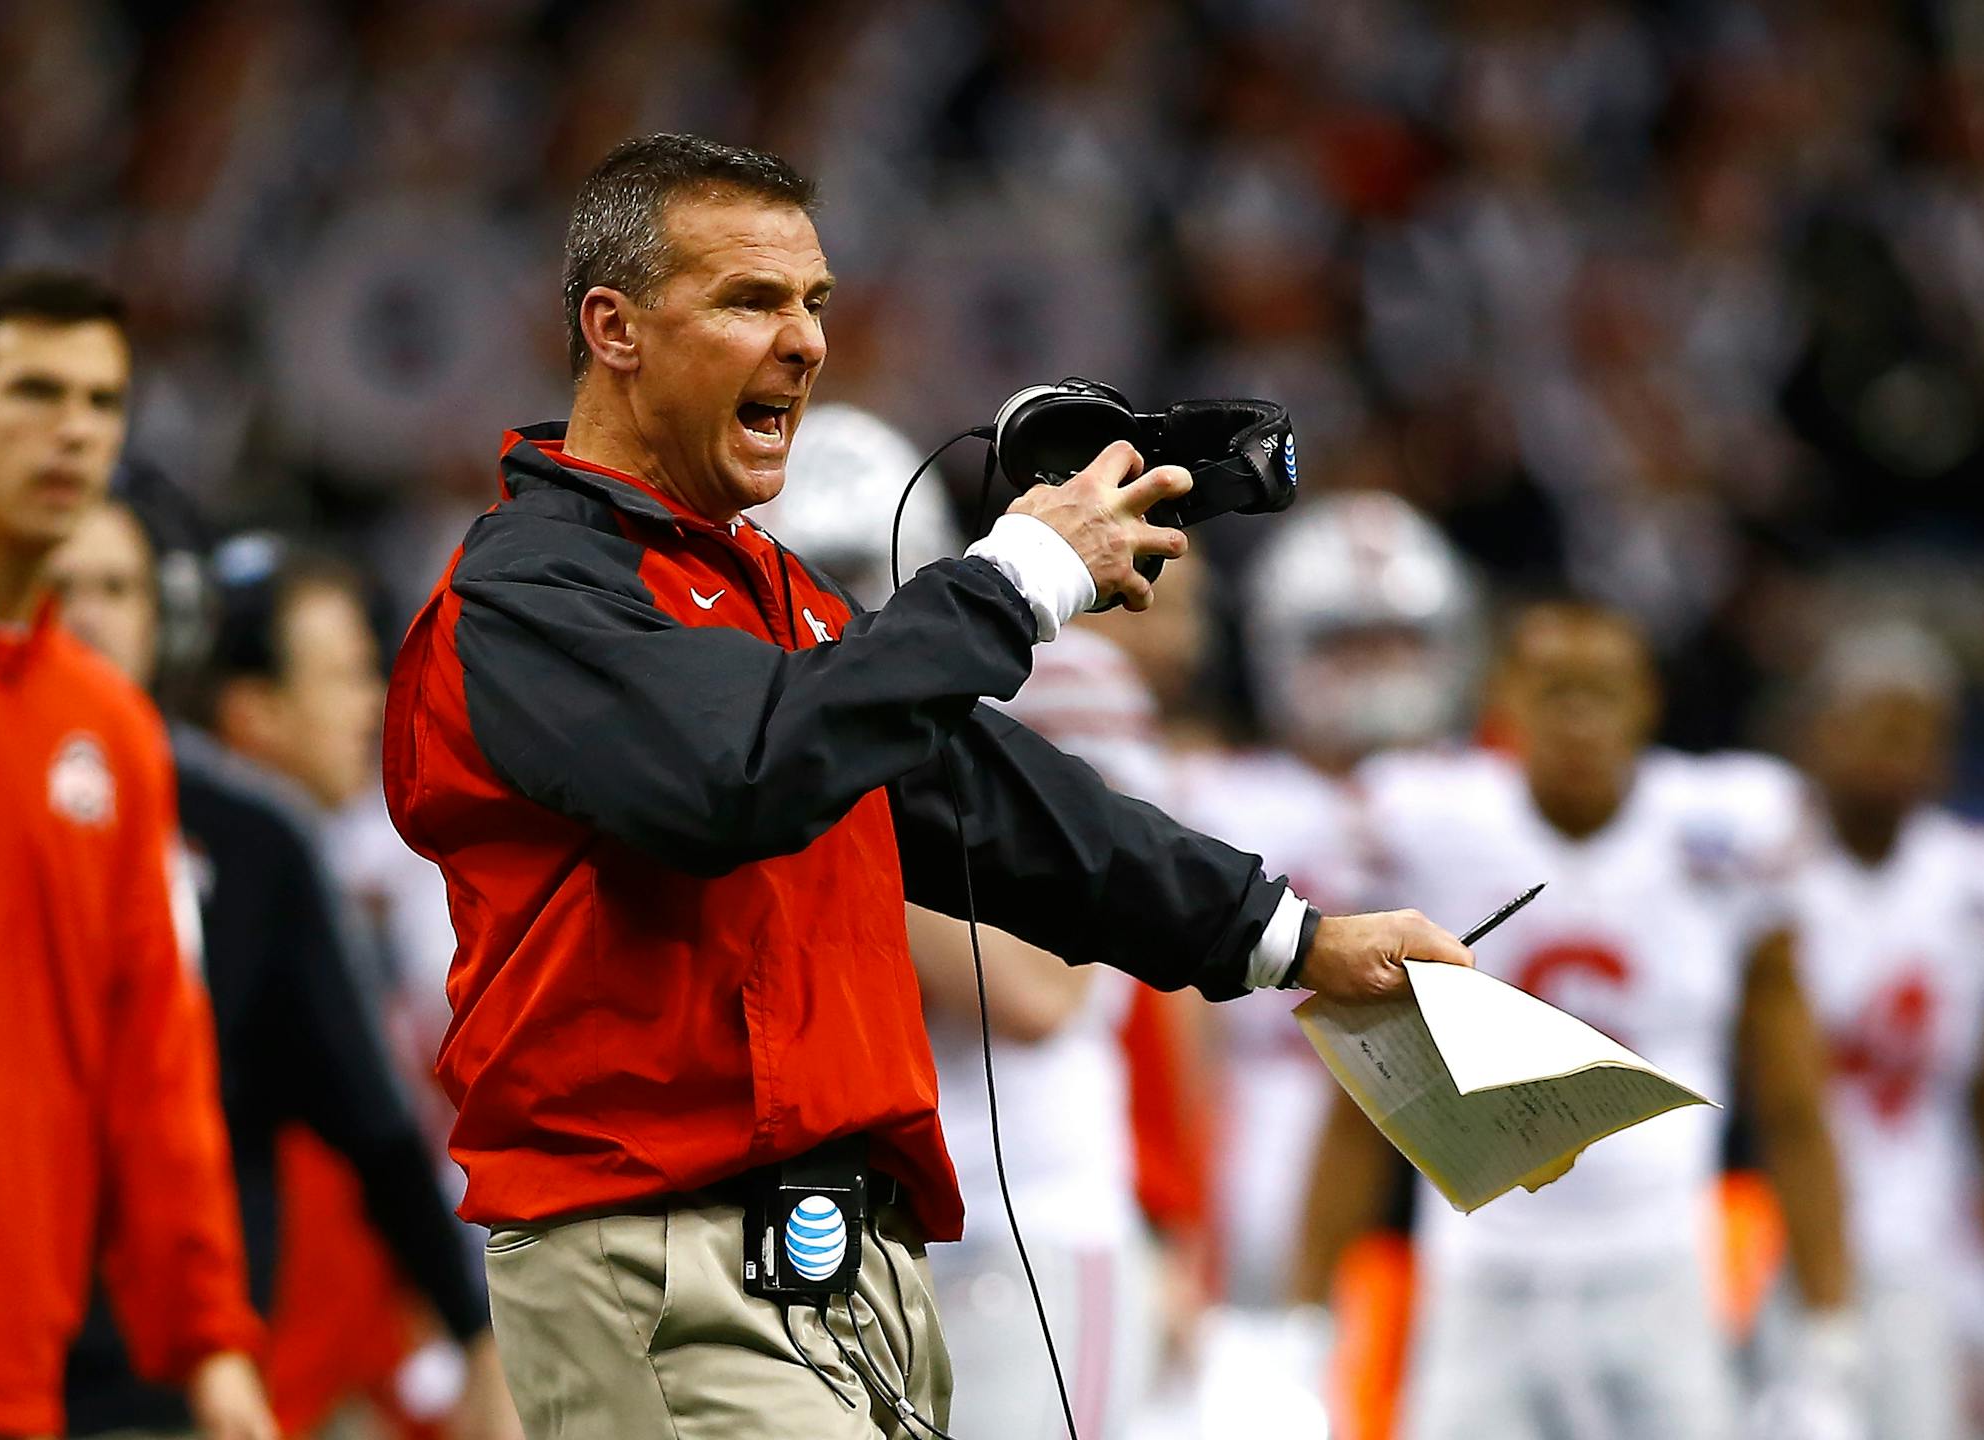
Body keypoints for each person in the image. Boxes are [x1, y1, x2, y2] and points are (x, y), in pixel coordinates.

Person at [381, 132, 1474, 1440]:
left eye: (815, 304)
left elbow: (985, 799)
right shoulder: (526, 594)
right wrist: (1015, 579)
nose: (804, 343)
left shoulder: (768, 597)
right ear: (611, 329)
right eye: (749, 301)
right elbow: (742, 776)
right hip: (664, 1258)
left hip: (850, 1267)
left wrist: (1290, 936)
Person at [1300, 600, 1858, 1440]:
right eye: (1554, 689)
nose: (1578, 719)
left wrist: (1828, 1332)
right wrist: (1307, 1317)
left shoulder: (1722, 829)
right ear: (1505, 700)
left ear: (1648, 703)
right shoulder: (1428, 821)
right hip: (1485, 1268)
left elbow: (1793, 1099)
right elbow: (1358, 1098)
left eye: (1602, 691)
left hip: (1662, 1266)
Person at [42, 501, 518, 1439]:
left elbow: (377, 1132)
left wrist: (471, 1333)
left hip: (196, 1376)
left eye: (116, 588)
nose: (368, 706)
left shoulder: (259, 846)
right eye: (63, 587)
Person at [759, 403, 1172, 1440]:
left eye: (851, 569)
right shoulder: (741, 721)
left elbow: (1038, 989)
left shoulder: (1060, 675)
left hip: (1019, 1217)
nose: (827, 608)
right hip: (821, 1209)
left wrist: (794, 823)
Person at [0, 270, 275, 1440]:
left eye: (101, 401)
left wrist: (211, 1338)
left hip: (11, 1357)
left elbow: (157, 1058)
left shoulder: (114, 733)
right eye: (34, 390)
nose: (72, 429)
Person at [1783, 620, 1984, 1439]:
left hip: (1922, 1247)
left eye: (1917, 733)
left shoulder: (1981, 887)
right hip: (1767, 1238)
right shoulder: (1771, 867)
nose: (1896, 754)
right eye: (1877, 727)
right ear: (1824, 733)